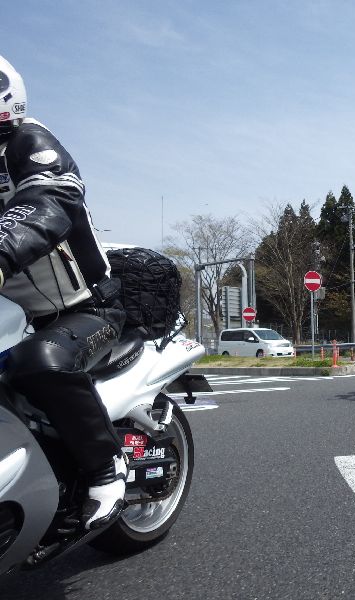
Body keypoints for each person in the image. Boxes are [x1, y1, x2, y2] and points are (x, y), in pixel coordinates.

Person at [0, 55, 128, 530]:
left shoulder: (31, 144)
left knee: (40, 362)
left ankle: (106, 470)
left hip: (86, 308)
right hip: (13, 313)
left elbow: (47, 203)